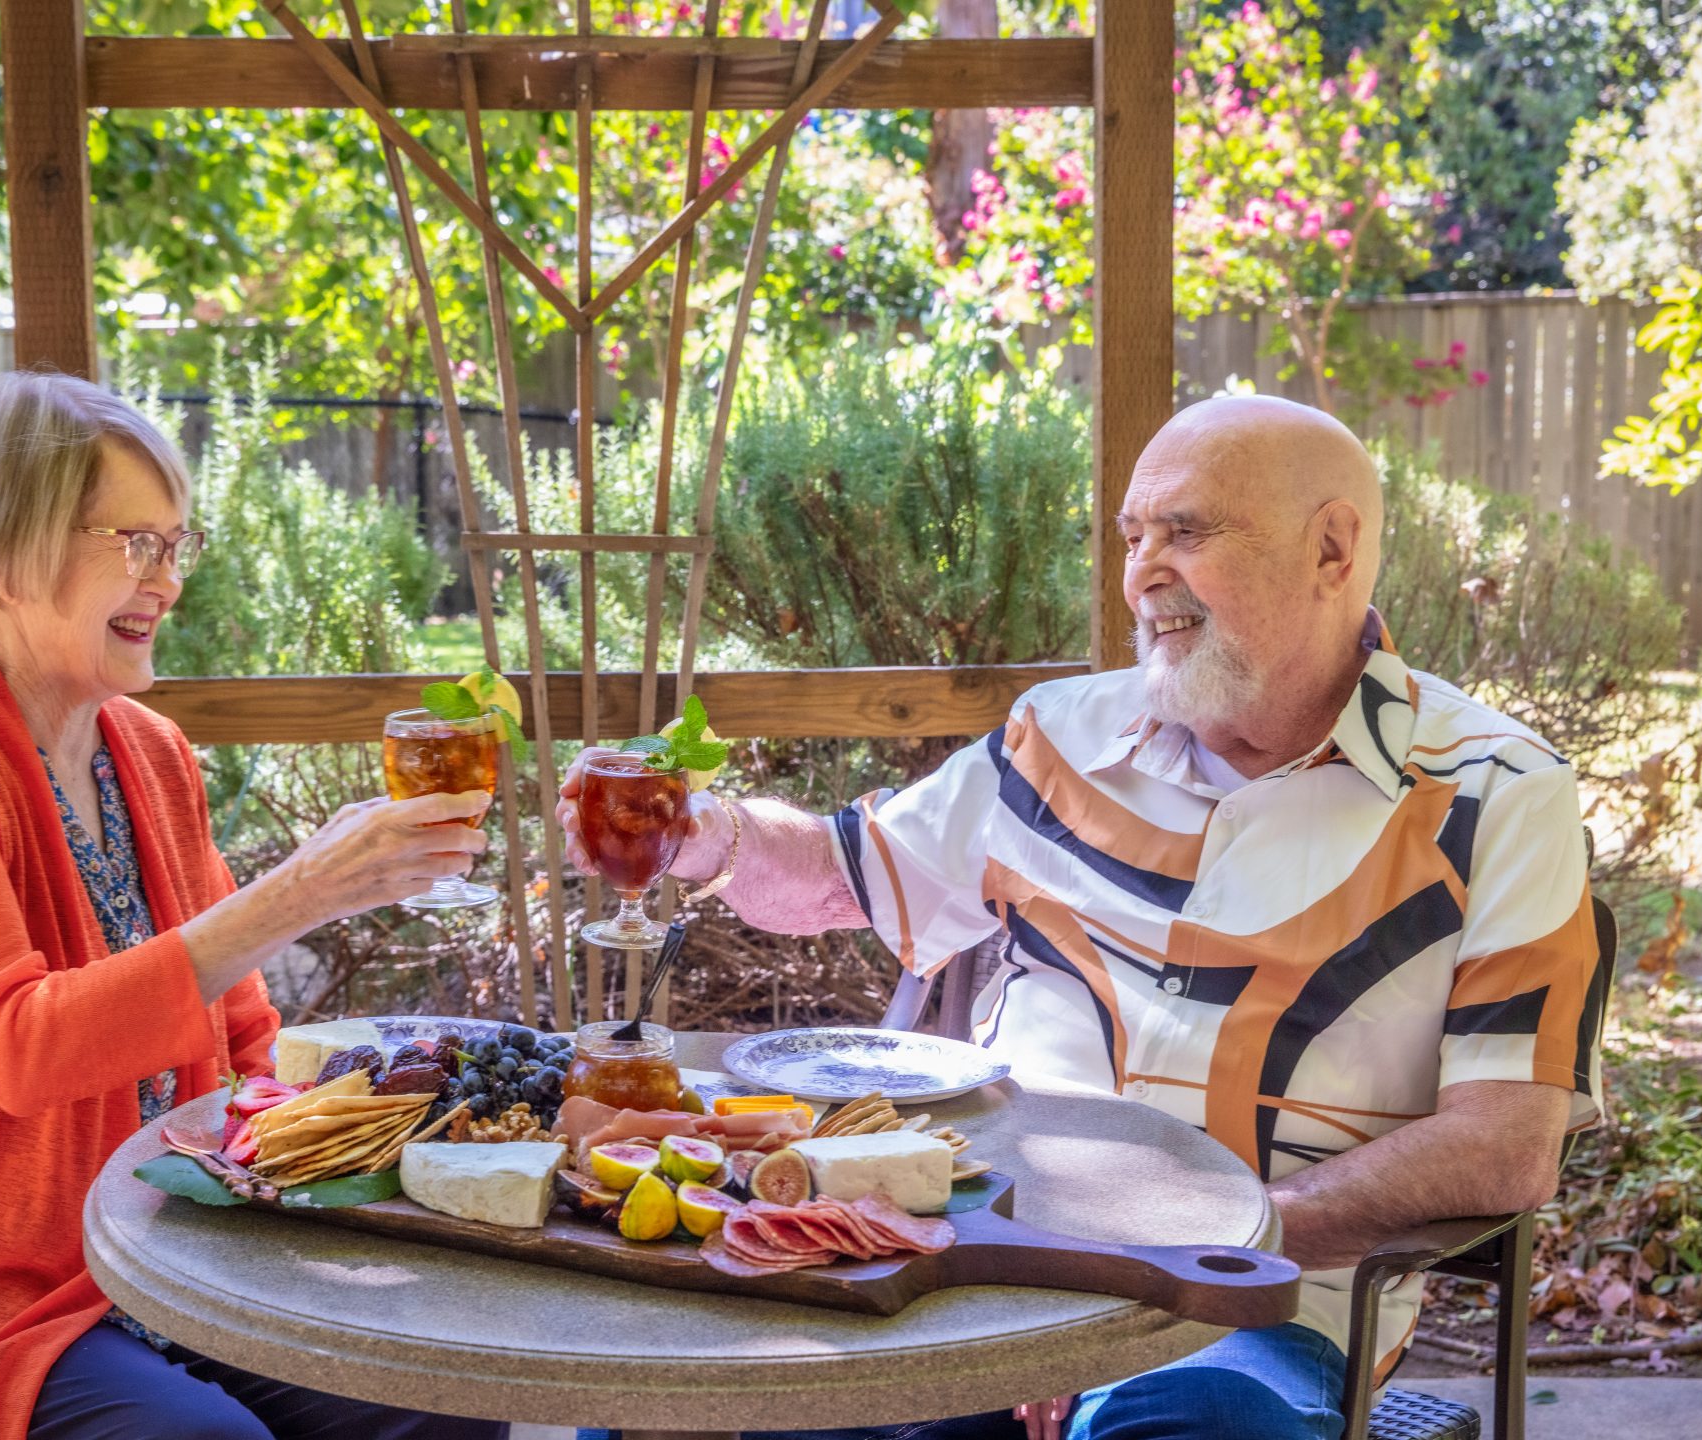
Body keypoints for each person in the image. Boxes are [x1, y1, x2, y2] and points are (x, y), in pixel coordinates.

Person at [561, 396, 1601, 1440]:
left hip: (1246, 1305)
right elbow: (842, 876)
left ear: (1333, 548)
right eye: (1131, 537)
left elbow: (1502, 1147)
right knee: (674, 1391)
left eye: (1186, 532)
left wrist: (1151, 1265)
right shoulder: (1057, 738)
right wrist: (695, 827)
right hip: (959, 1256)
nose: (1143, 570)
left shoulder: (1494, 795)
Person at [0, 372, 506, 1440]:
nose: (168, 582)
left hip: (179, 1251)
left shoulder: (151, 754)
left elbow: (247, 1038)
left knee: (438, 1390)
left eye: (177, 545)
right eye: (136, 544)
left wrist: (378, 1133)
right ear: (6, 548)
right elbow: (17, 1047)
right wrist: (298, 891)